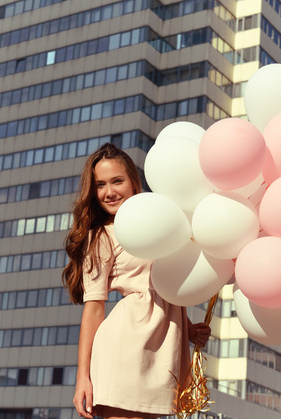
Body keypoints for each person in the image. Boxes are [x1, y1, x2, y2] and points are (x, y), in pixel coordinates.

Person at [62, 143, 211, 419]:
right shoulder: (102, 236)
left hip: (163, 351)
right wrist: (83, 376)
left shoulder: (161, 222)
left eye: (117, 181)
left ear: (134, 181)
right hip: (125, 347)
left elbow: (162, 284)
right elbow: (94, 310)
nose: (109, 192)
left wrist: (188, 328)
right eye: (100, 185)